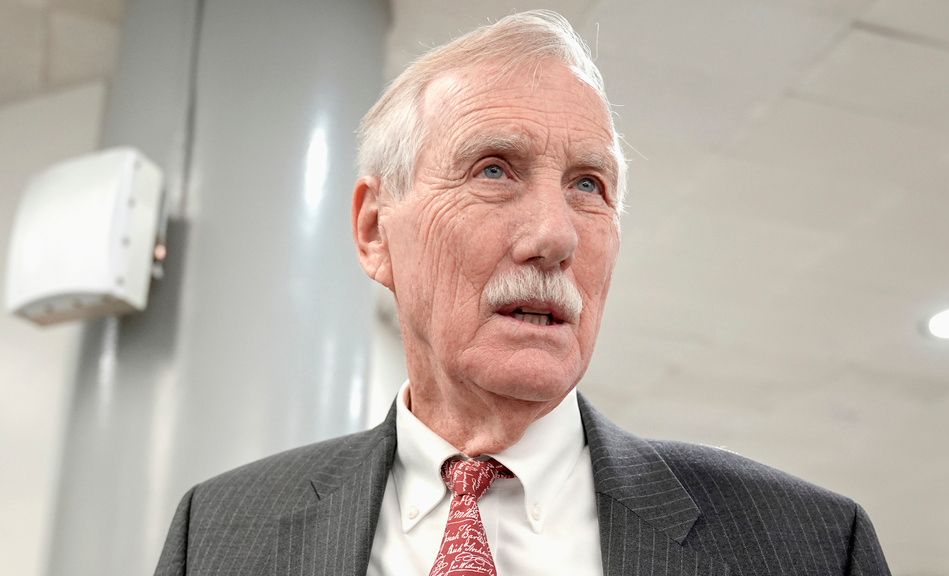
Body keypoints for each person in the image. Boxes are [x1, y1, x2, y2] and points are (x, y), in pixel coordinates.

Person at [155, 10, 890, 576]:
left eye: (588, 186)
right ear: (376, 230)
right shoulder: (220, 532)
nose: (556, 234)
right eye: (494, 170)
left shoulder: (810, 545)